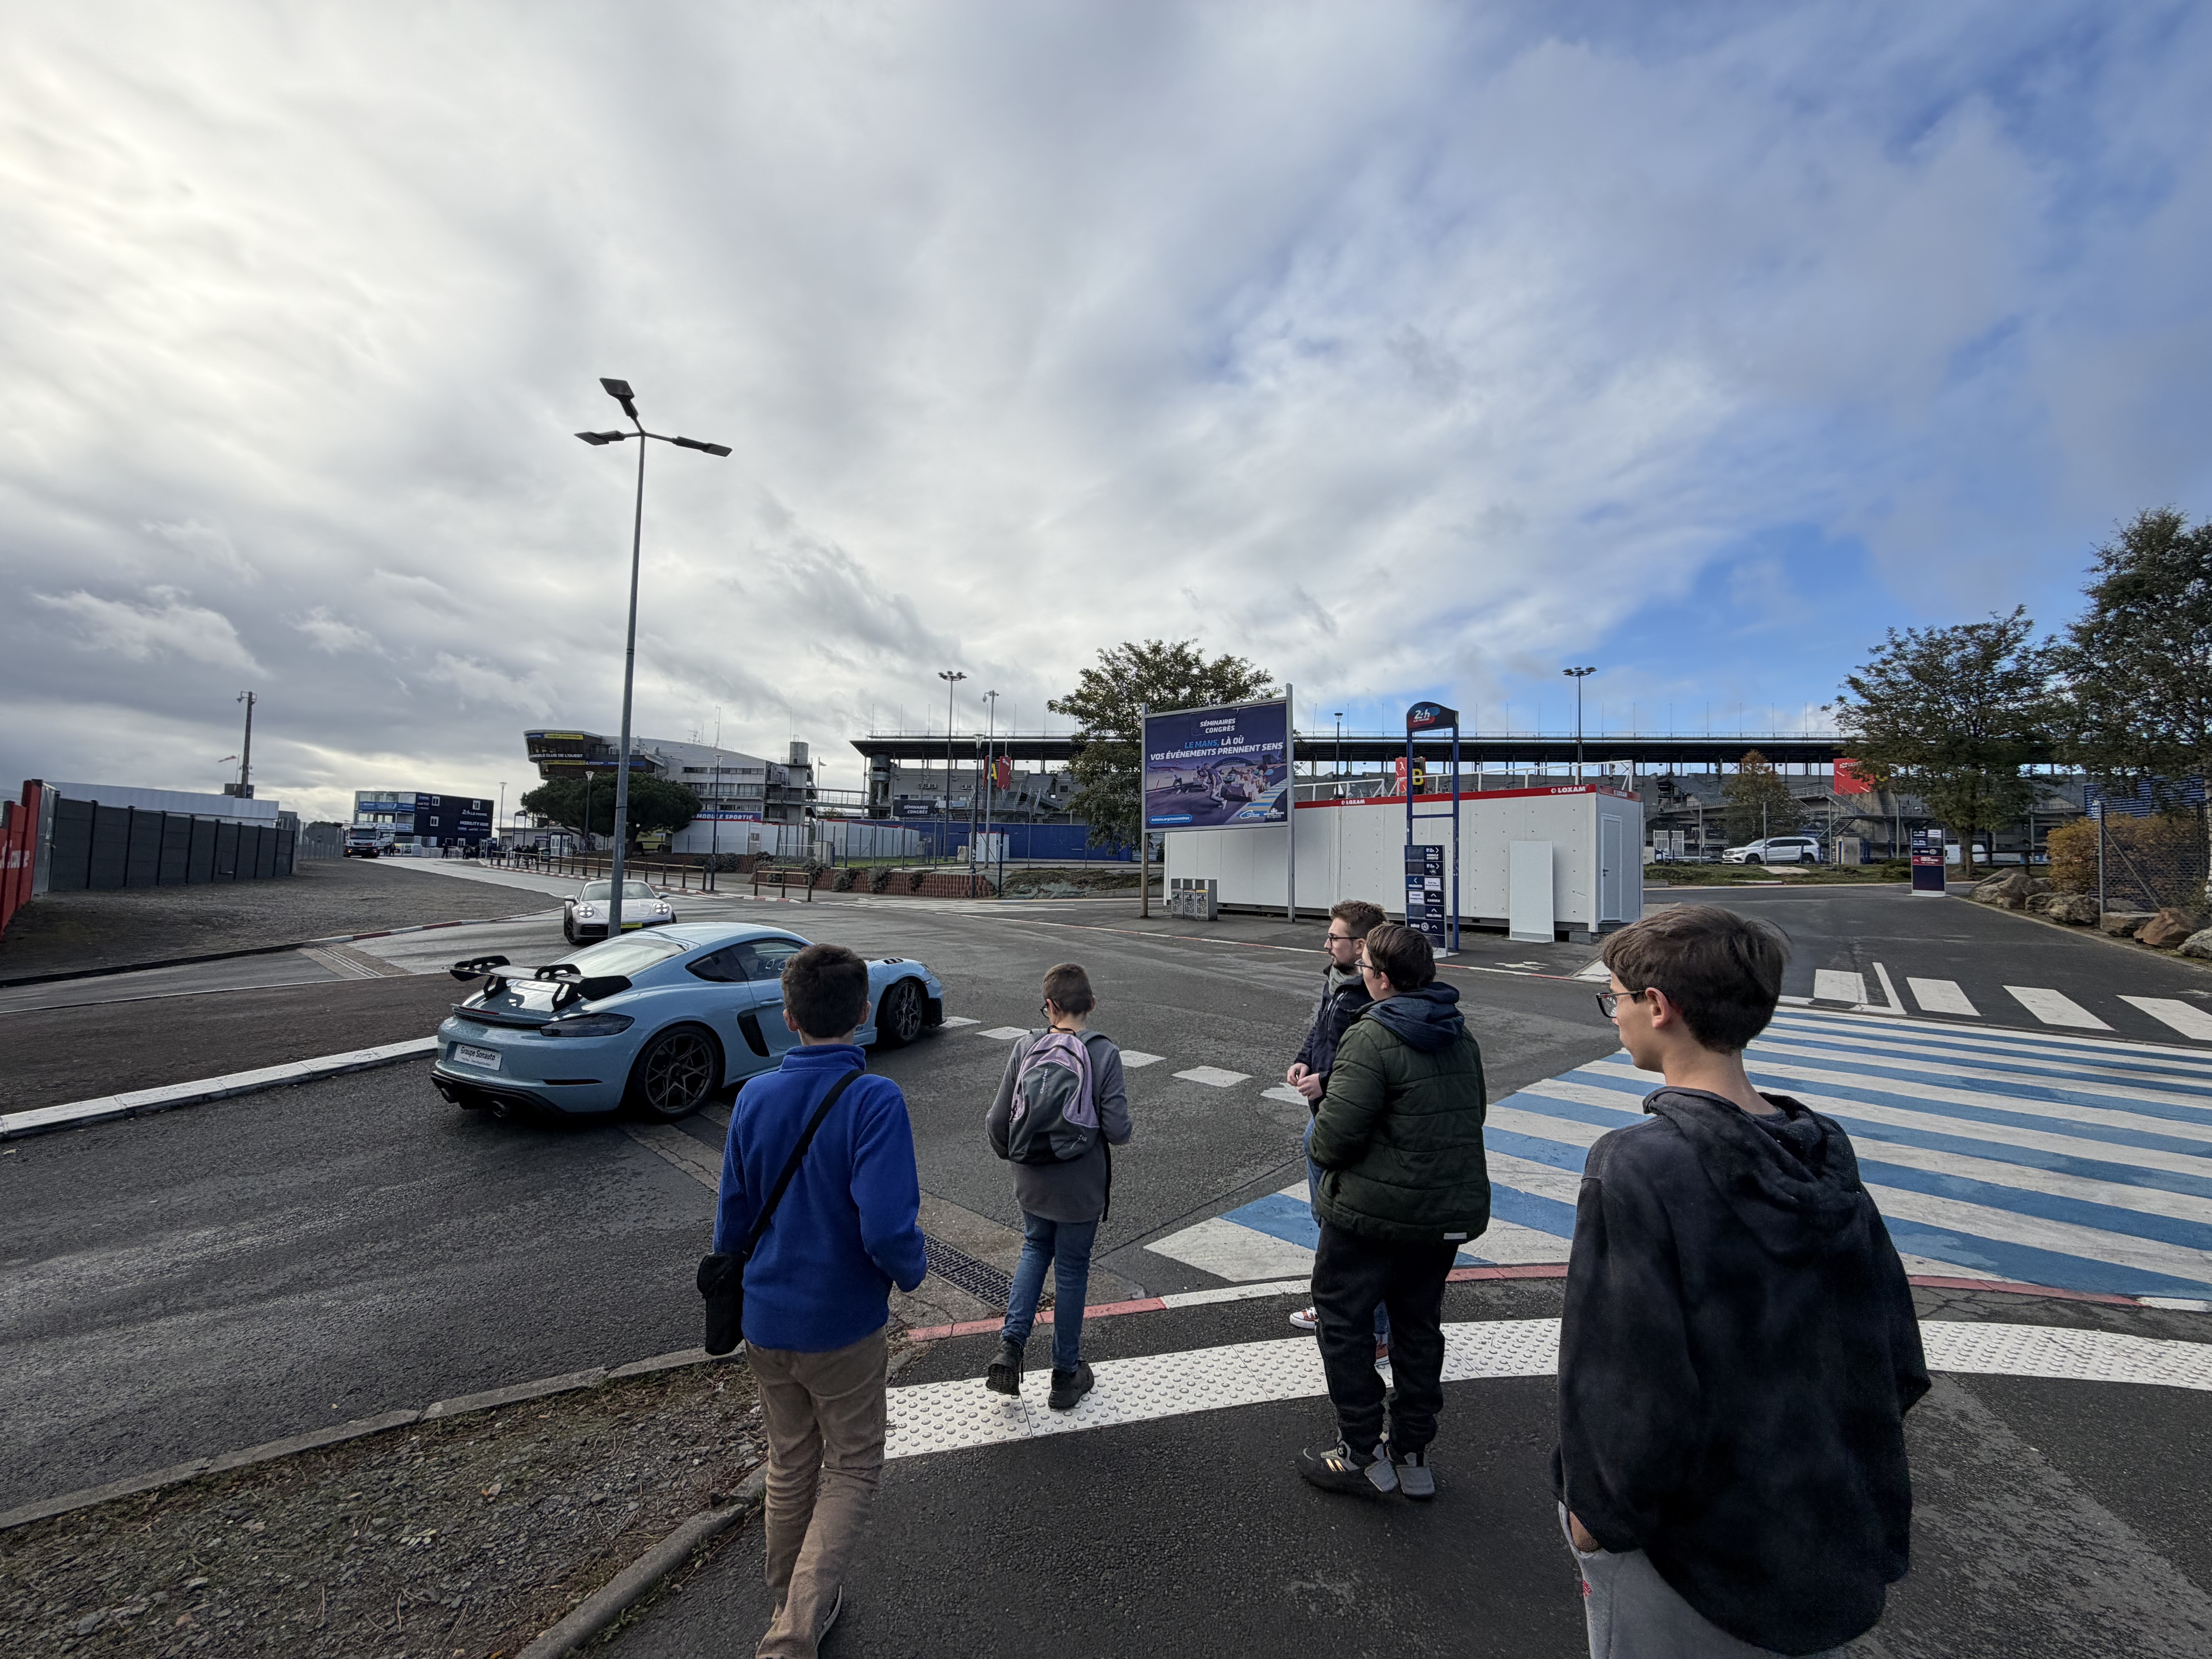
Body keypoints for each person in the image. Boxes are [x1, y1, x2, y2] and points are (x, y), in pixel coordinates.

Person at [1554, 905, 1928, 1658]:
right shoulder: (1821, 1150)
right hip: (1821, 1539)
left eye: (1615, 997)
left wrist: (1594, 1517)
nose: (1615, 1014)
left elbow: (1629, 1381)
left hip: (1693, 1560)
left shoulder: (1636, 1164)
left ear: (1658, 1006)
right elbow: (1896, 1361)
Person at [714, 942, 928, 1658]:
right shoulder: (874, 1099)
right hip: (841, 1322)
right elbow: (887, 1227)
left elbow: (732, 1218)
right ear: (863, 1011)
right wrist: (912, 1271)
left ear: (788, 1016)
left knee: (789, 1461)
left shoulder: (754, 1097)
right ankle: (794, 1633)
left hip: (765, 1317)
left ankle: (790, 1599)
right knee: (853, 1464)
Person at [1298, 922, 1489, 1502]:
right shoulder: (1459, 1034)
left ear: (1380, 978)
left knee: (1343, 1319)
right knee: (1418, 1326)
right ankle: (1412, 1451)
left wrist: (1322, 1145)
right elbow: (1472, 1114)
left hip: (1373, 1214)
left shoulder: (1372, 1034)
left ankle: (1360, 1449)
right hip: (1444, 1212)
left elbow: (1334, 1138)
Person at [983, 962, 1133, 1411]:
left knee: (1034, 1249)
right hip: (1080, 1185)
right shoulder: (1104, 1053)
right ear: (1092, 1005)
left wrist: (1019, 1157)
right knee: (1071, 1269)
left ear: (1049, 1006)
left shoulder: (1026, 1046)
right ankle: (1066, 1376)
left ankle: (1011, 1347)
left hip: (1032, 1178)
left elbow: (997, 1122)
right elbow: (1119, 1130)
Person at [1284, 899, 1389, 1342]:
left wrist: (1325, 1082)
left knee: (1347, 1225)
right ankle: (1338, 1307)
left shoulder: (1375, 994)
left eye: (1334, 938)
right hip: (1328, 1114)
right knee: (1330, 1221)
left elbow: (1370, 1063)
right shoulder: (1339, 980)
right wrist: (1305, 1059)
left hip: (1345, 1116)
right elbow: (1322, 1030)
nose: (1326, 945)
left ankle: (1371, 1329)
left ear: (1361, 946)